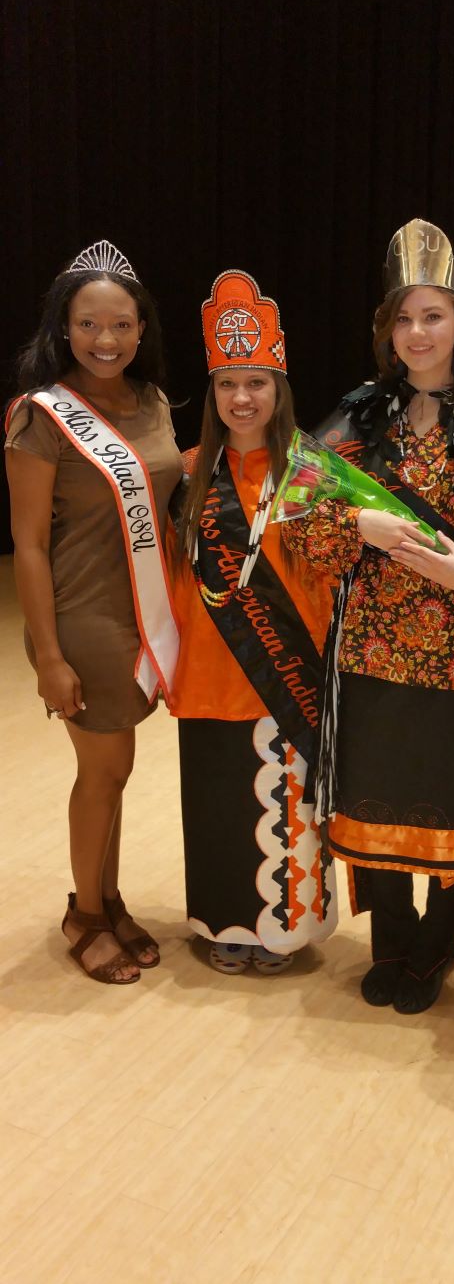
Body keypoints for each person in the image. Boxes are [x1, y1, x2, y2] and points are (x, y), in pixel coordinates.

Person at [285, 219, 454, 1013]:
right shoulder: (357, 418)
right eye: (402, 317)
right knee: (378, 799)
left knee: (452, 801)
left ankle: (436, 948)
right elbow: (295, 520)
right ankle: (393, 938)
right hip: (370, 655)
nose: (416, 333)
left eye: (432, 316)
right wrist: (356, 525)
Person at [4, 240, 183, 984]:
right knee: (101, 770)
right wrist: (48, 656)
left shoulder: (153, 401)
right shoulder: (40, 416)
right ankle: (84, 914)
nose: (105, 340)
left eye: (120, 325)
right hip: (83, 620)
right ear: (64, 328)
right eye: (88, 326)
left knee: (117, 769)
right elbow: (29, 546)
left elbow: (165, 484)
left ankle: (107, 898)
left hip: (144, 612)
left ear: (141, 329)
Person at [170, 270, 336, 975]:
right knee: (216, 811)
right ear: (211, 395)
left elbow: (336, 576)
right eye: (227, 384)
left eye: (256, 383)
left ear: (280, 390)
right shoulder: (186, 476)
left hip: (286, 675)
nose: (241, 398)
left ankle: (287, 933)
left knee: (288, 814)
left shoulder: (314, 472)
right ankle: (224, 924)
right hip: (208, 674)